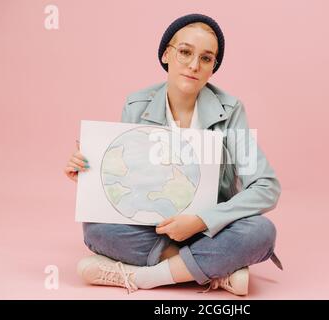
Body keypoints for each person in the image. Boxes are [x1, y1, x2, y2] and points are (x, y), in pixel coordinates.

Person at [64, 13, 282, 296]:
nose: (194, 65)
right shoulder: (136, 104)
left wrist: (202, 220)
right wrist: (88, 172)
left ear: (213, 68)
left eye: (206, 58)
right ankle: (216, 269)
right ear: (167, 54)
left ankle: (142, 277)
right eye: (185, 52)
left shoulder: (231, 111)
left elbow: (267, 188)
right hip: (155, 228)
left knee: (261, 232)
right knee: (95, 228)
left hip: (211, 229)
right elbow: (124, 180)